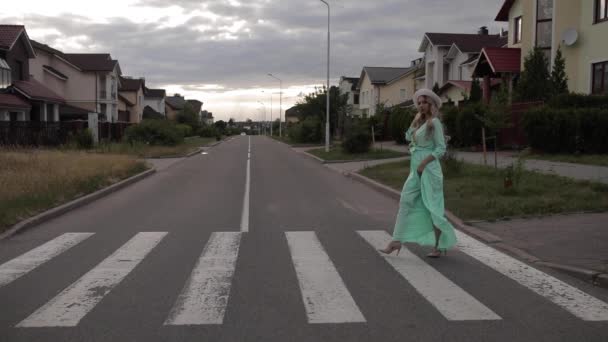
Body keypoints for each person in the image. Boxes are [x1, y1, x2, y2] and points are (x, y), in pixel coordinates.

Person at [379, 88, 457, 258]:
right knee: (405, 200)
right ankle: (396, 240)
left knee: (433, 209)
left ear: (431, 105)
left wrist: (423, 163)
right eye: (419, 103)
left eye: (424, 102)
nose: (421, 105)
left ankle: (438, 246)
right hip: (416, 170)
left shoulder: (434, 122)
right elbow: (408, 138)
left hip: (429, 170)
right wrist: (414, 124)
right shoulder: (420, 122)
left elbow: (441, 148)